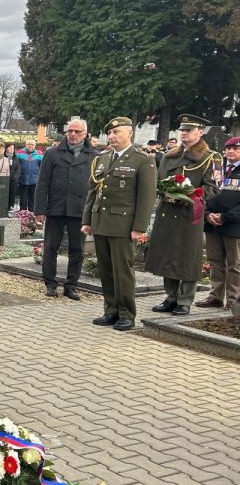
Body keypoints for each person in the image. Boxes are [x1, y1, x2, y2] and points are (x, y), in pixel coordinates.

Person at [82, 117, 157, 331]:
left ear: (129, 133)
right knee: (106, 270)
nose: (112, 137)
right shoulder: (103, 158)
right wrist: (87, 220)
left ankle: (126, 314)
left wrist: (139, 227)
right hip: (102, 222)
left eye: (117, 132)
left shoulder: (142, 160)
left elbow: (146, 197)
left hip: (124, 225)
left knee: (122, 271)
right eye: (110, 133)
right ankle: (111, 311)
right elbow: (93, 192)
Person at [145, 114, 220, 316]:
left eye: (189, 130)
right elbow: (159, 180)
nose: (184, 133)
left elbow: (213, 188)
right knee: (167, 255)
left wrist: (188, 195)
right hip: (168, 213)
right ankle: (171, 296)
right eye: (182, 130)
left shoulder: (210, 157)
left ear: (200, 132)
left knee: (188, 258)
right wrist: (165, 191)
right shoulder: (170, 155)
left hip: (190, 215)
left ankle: (185, 300)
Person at [35, 118, 95, 299]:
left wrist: (93, 213)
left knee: (77, 249)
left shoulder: (94, 155)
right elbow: (43, 183)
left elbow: (96, 186)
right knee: (51, 247)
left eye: (77, 132)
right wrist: (40, 210)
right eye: (70, 131)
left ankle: (71, 285)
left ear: (85, 134)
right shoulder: (52, 153)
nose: (73, 135)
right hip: (56, 208)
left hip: (80, 209)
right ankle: (50, 283)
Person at [196, 136, 240, 310]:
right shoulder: (217, 168)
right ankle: (215, 296)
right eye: (228, 148)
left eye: (235, 149)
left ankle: (234, 298)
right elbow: (205, 190)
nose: (230, 151)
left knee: (234, 264)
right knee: (215, 261)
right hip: (212, 223)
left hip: (233, 225)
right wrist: (206, 213)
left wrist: (225, 217)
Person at [16, 140, 43, 211]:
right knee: (23, 199)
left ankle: (32, 214)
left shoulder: (39, 154)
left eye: (32, 144)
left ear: (35, 146)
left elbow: (42, 168)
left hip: (35, 180)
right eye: (28, 144)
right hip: (23, 179)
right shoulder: (19, 153)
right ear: (26, 145)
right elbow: (16, 166)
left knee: (33, 199)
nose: (30, 146)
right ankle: (23, 214)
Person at [5, 143, 20, 209]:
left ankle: (11, 207)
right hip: (5, 179)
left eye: (13, 148)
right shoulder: (3, 157)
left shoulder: (15, 158)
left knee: (12, 194)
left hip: (13, 180)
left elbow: (18, 169)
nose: (12, 149)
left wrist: (15, 177)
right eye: (10, 148)